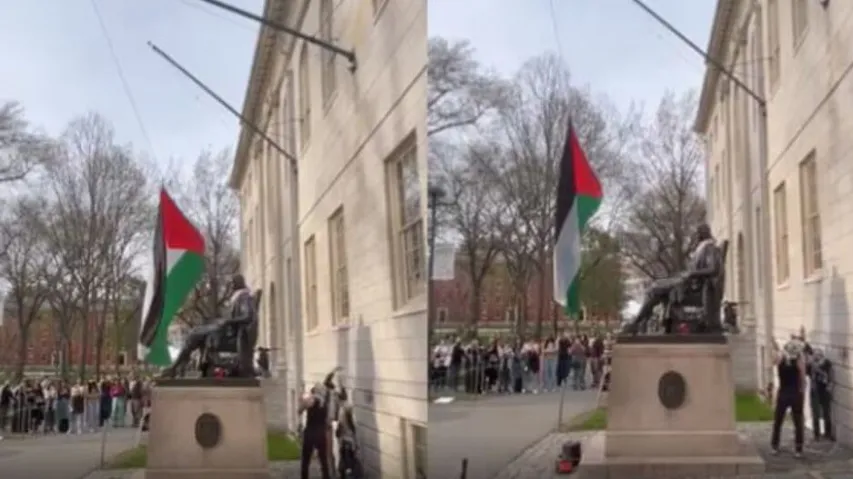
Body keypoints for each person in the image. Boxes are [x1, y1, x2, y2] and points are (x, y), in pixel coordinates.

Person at [624, 223, 722, 334]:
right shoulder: (702, 248)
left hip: (694, 288)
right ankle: (640, 322)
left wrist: (690, 274)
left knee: (655, 289)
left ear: (703, 234)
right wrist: (685, 274)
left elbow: (713, 269)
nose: (697, 235)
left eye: (699, 233)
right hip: (689, 283)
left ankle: (637, 323)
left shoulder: (710, 248)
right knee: (655, 286)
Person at [770, 339, 806, 456]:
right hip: (796, 393)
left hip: (783, 392)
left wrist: (777, 349)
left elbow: (774, 361)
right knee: (798, 422)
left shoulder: (781, 359)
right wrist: (802, 391)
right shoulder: (798, 361)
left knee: (778, 420)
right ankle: (798, 449)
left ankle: (775, 446)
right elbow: (803, 377)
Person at [300, 382, 332, 479]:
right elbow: (328, 420)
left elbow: (300, 410)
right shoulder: (325, 403)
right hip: (321, 433)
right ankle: (326, 477)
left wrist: (304, 404)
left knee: (306, 459)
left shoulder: (311, 400)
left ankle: (304, 477)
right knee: (323, 459)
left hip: (310, 432)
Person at [808, 348, 834, 441]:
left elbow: (831, 375)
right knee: (815, 413)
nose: (816, 356)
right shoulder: (811, 364)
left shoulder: (827, 363)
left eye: (818, 354)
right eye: (815, 354)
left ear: (822, 355)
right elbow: (807, 373)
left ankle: (828, 433)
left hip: (824, 390)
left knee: (827, 413)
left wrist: (830, 386)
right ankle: (816, 434)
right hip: (815, 390)